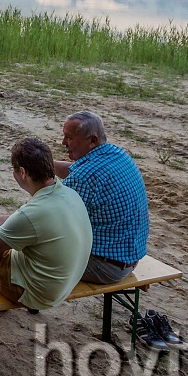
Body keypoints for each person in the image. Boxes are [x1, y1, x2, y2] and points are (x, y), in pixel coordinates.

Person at [0, 138, 91, 341]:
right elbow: (19, 220)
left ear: (22, 172)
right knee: (5, 248)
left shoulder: (34, 213)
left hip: (39, 293)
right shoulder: (66, 193)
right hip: (66, 282)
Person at [55, 111, 149, 283]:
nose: (63, 143)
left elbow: (49, 222)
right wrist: (44, 164)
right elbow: (76, 171)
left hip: (105, 267)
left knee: (27, 251)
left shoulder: (84, 177)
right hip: (129, 257)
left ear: (92, 140)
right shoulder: (116, 154)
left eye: (69, 138)